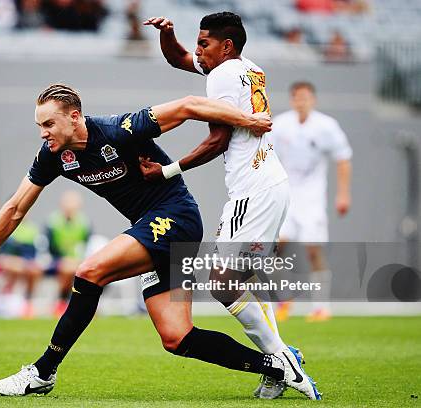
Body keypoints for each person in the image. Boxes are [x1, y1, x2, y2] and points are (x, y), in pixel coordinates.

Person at [0, 83, 316, 399]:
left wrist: (247, 119)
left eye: (48, 123)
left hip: (178, 217)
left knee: (90, 271)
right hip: (154, 230)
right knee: (177, 338)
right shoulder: (55, 155)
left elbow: (187, 106)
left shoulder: (118, 130)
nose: (43, 132)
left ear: (75, 117)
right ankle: (278, 365)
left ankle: (43, 371)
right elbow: (15, 207)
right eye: (40, 125)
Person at [143, 12, 320, 399]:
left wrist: (167, 170)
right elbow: (178, 59)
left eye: (203, 43)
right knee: (241, 282)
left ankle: (280, 361)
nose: (197, 50)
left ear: (226, 46)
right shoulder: (245, 68)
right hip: (266, 185)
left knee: (223, 284)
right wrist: (168, 35)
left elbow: (218, 139)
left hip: (253, 190)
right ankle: (277, 369)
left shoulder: (222, 75)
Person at [271, 81, 352, 322]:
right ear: (292, 100)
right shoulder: (281, 125)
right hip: (286, 196)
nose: (301, 102)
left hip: (312, 198)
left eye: (305, 97)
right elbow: (268, 159)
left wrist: (343, 194)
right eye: (297, 97)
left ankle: (321, 306)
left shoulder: (326, 126)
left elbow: (343, 158)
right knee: (275, 247)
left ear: (313, 100)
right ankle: (284, 300)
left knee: (313, 249)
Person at [46, 190, 91, 316]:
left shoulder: (84, 223)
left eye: (73, 203)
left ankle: (83, 305)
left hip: (78, 261)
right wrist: (64, 258)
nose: (70, 206)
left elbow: (86, 246)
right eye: (68, 203)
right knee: (67, 268)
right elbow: (50, 248)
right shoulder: (53, 222)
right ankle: (62, 301)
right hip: (56, 261)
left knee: (86, 270)